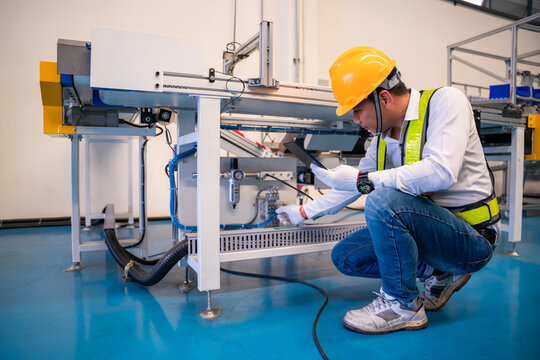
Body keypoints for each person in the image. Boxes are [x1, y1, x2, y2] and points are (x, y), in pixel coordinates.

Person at [275, 46, 500, 334]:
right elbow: (351, 185)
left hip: (473, 239)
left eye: (357, 110)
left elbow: (441, 172)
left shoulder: (445, 102)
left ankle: (402, 305)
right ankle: (439, 274)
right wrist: (304, 212)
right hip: (435, 233)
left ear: (384, 97)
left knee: (382, 200)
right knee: (346, 257)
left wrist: (365, 181)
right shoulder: (380, 140)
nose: (355, 120)